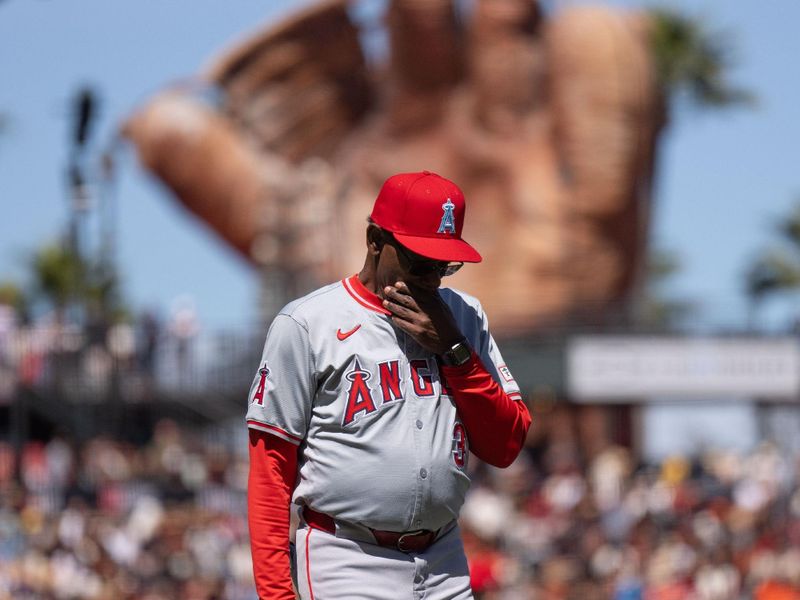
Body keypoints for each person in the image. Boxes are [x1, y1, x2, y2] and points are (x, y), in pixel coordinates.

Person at [246, 171, 532, 599]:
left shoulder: (463, 317)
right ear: (375, 241)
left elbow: (505, 445)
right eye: (421, 262)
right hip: (346, 556)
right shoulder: (308, 324)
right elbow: (270, 469)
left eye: (445, 265)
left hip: (443, 560)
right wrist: (276, 594)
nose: (432, 279)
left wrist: (454, 349)